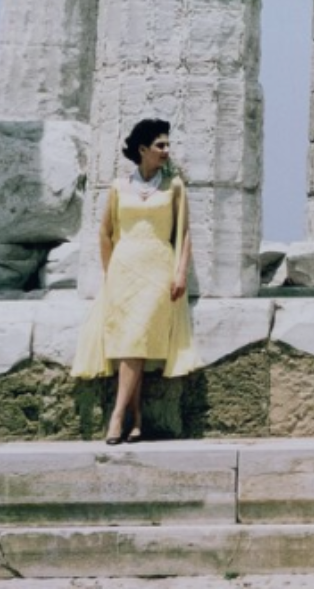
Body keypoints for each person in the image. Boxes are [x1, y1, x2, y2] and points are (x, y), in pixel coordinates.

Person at [72, 118, 198, 442]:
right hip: (124, 269)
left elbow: (184, 233)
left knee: (138, 336)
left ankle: (117, 416)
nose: (166, 150)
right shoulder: (119, 186)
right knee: (133, 342)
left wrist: (181, 272)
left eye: (168, 144)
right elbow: (105, 232)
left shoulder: (175, 186)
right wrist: (109, 271)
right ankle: (137, 418)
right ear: (143, 149)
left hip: (158, 269)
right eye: (160, 145)